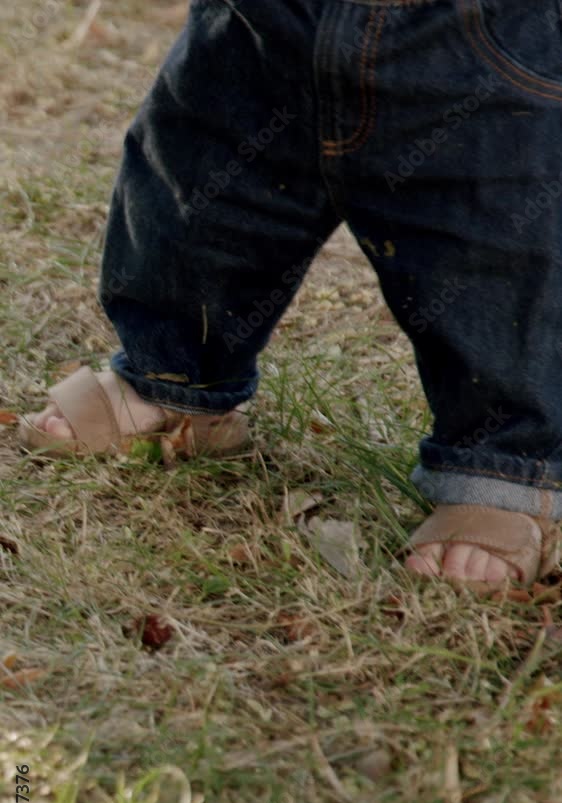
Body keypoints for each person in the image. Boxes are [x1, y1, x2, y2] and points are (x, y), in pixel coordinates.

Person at [20, 0, 562, 587]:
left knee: (495, 244)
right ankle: (174, 375)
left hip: (484, 39)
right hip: (266, 21)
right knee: (206, 178)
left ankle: (504, 464)